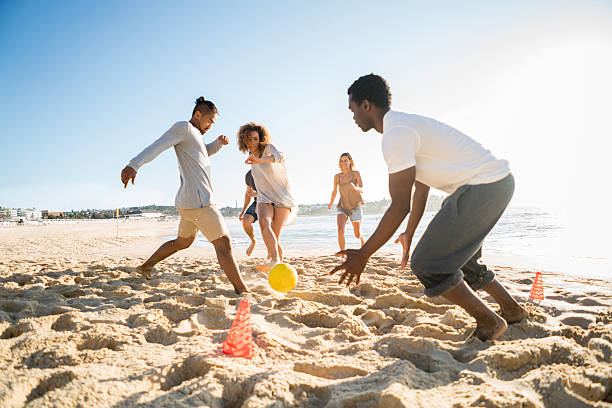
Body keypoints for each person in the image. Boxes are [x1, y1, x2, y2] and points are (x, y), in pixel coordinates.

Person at [330, 74, 527, 341]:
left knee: (427, 264)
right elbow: (420, 189)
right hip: (493, 184)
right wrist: (409, 234)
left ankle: (489, 321)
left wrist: (364, 254)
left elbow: (399, 205)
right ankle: (512, 310)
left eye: (352, 109)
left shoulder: (395, 134)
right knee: (462, 258)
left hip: (483, 186)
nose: (352, 116)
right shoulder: (403, 125)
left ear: (366, 105)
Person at [120, 97, 249, 294]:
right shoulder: (184, 128)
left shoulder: (193, 136)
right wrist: (134, 164)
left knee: (183, 242)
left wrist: (217, 144)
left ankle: (146, 266)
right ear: (197, 114)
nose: (211, 126)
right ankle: (242, 290)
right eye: (209, 121)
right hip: (200, 203)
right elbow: (158, 145)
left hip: (188, 203)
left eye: (213, 123)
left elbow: (202, 153)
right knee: (224, 244)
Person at [237, 122, 297, 271]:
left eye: (255, 139)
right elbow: (263, 183)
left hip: (282, 197)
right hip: (264, 198)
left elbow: (280, 156)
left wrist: (261, 160)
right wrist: (255, 194)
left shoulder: (268, 148)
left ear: (261, 139)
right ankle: (274, 261)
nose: (251, 142)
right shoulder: (251, 157)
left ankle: (276, 263)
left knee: (274, 237)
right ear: (243, 140)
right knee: (264, 223)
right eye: (248, 139)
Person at [328, 153, 365, 250]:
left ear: (350, 161)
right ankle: (342, 253)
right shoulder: (337, 176)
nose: (343, 162)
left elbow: (362, 189)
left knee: (357, 234)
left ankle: (362, 239)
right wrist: (331, 203)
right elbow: (335, 191)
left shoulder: (356, 174)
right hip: (343, 206)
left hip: (355, 206)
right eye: (341, 161)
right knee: (340, 229)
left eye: (345, 160)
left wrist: (355, 188)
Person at [238, 170, 259, 256]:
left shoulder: (268, 169)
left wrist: (258, 193)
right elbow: (247, 193)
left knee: (267, 227)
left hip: (272, 202)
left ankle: (271, 254)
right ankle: (253, 241)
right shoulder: (249, 175)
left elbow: (275, 190)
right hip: (258, 202)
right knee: (246, 221)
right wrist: (243, 211)